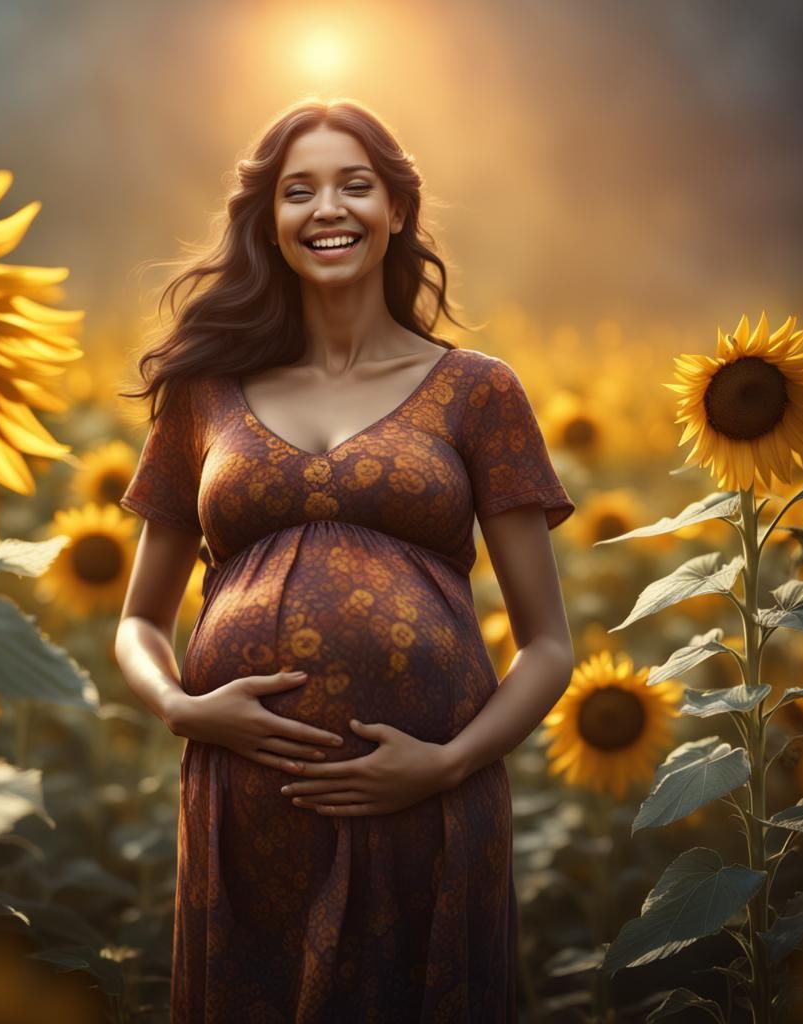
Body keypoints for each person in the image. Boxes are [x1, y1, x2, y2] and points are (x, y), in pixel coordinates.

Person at [115, 98, 576, 1023]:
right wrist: (182, 708)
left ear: (396, 211)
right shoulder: (204, 393)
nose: (328, 208)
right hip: (247, 808)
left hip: (429, 811)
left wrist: (444, 768)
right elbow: (137, 622)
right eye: (300, 192)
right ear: (272, 225)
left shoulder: (478, 390)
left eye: (354, 185)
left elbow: (549, 647)